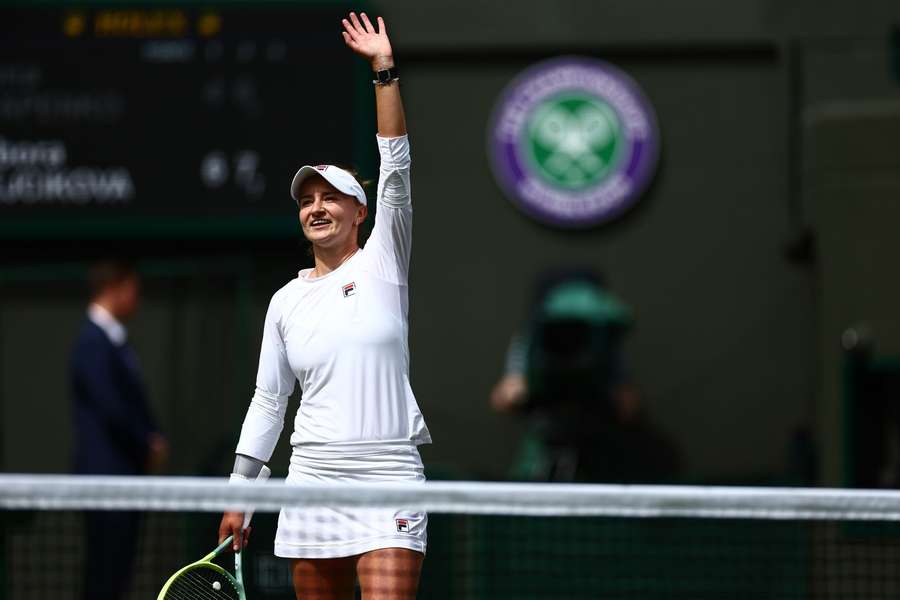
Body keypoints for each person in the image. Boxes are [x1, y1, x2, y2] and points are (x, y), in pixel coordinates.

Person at [218, 12, 430, 600]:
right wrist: (241, 494)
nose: (316, 207)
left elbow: (397, 168)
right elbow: (269, 400)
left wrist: (384, 69)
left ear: (361, 212)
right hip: (310, 478)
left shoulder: (384, 258)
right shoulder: (286, 300)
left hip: (389, 475)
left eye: (331, 197)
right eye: (307, 200)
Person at [490, 268, 678, 483]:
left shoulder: (605, 342)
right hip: (543, 448)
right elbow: (504, 397)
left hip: (598, 451)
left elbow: (628, 405)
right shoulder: (533, 341)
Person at [70, 260, 169, 599]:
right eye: (133, 291)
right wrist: (147, 443)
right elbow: (111, 406)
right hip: (106, 479)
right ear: (117, 288)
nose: (136, 299)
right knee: (105, 570)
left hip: (122, 476)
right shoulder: (92, 342)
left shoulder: (111, 341)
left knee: (117, 569)